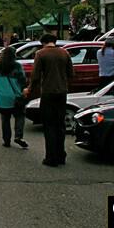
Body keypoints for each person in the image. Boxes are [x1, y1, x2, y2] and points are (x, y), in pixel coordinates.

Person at [25, 33, 73, 167]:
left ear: (43, 42)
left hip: (48, 92)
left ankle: (51, 157)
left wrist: (29, 88)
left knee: (49, 125)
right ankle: (61, 154)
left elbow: (35, 76)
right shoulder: (64, 53)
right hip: (62, 92)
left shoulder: (41, 54)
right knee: (60, 125)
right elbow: (71, 73)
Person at [0, 47, 28, 148]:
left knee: (5, 119)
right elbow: (23, 80)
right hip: (16, 96)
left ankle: (6, 140)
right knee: (20, 115)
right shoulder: (16, 66)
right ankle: (18, 136)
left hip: (2, 96)